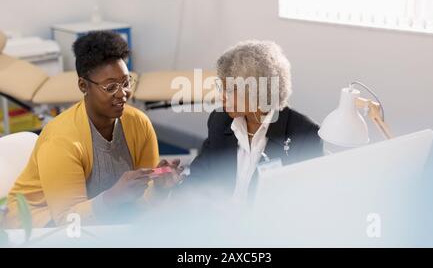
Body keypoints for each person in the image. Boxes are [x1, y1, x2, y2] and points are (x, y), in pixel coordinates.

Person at [3, 31, 179, 228]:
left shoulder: (139, 124)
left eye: (126, 82)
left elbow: (142, 202)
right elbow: (68, 222)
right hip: (36, 228)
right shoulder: (62, 139)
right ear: (83, 86)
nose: (122, 94)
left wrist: (160, 190)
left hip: (101, 223)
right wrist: (112, 198)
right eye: (111, 87)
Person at [184, 40, 323, 203]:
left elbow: (304, 204)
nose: (221, 96)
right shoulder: (220, 120)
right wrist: (175, 184)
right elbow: (200, 174)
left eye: (229, 90)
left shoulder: (304, 136)